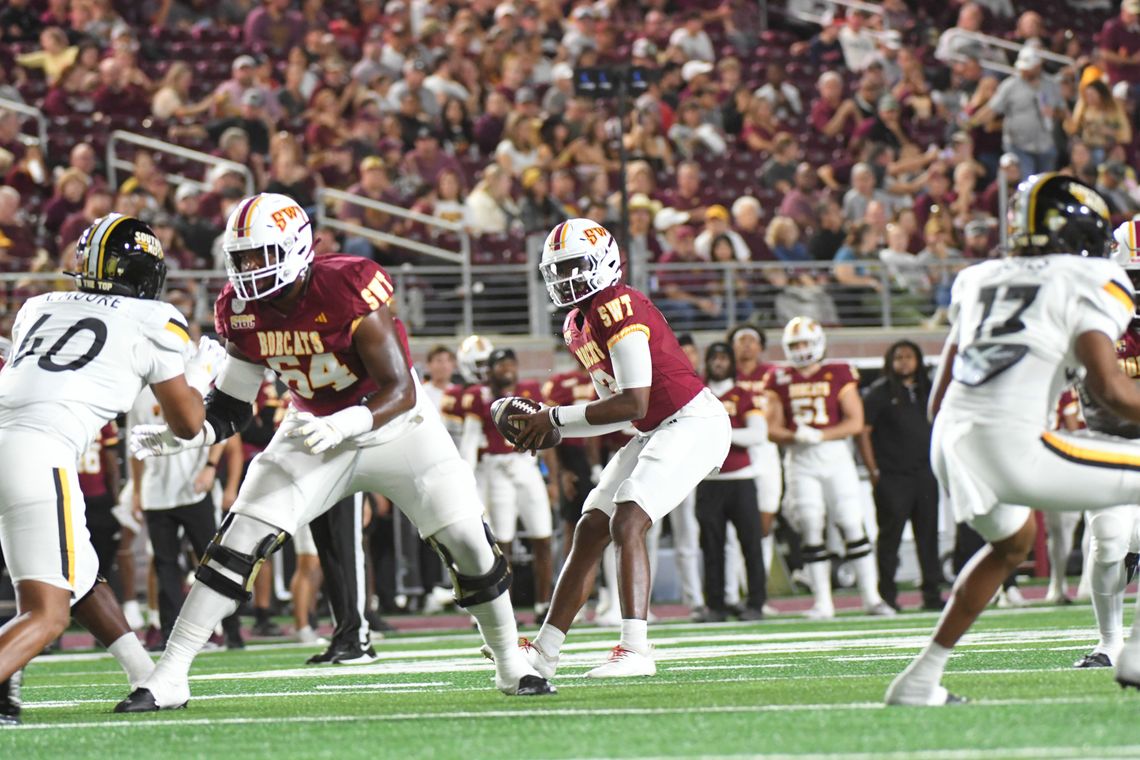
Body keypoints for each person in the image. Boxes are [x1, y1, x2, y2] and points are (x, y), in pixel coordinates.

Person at [116, 194, 554, 713]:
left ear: (298, 247)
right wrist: (192, 433)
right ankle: (169, 676)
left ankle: (510, 660)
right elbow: (234, 405)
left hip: (399, 429)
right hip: (312, 428)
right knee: (240, 534)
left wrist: (348, 422)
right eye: (243, 258)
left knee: (466, 538)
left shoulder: (346, 283)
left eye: (261, 255)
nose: (250, 270)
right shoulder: (239, 307)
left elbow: (401, 389)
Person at [884, 173, 1140, 704]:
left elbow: (939, 394)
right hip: (1013, 445)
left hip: (950, 441)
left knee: (1011, 546)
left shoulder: (978, 277)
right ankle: (1134, 654)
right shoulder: (1089, 279)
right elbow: (1111, 390)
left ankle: (920, 679)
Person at [0, 214, 211, 724]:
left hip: (14, 441)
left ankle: (147, 677)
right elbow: (187, 424)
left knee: (82, 573)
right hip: (37, 450)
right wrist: (202, 374)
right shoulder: (155, 319)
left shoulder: (36, 305)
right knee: (46, 612)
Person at [506, 218, 731, 678]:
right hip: (654, 427)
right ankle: (545, 652)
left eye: (575, 266)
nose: (566, 278)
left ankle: (636, 650)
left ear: (604, 261)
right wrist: (557, 427)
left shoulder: (617, 303)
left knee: (629, 517)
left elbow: (633, 400)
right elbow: (622, 409)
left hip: (694, 419)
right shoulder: (577, 324)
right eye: (559, 269)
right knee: (591, 526)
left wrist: (552, 418)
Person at [764, 317, 895, 620]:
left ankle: (872, 598)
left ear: (819, 342)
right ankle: (823, 602)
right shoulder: (779, 377)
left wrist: (821, 434)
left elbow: (855, 421)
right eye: (795, 345)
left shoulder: (838, 372)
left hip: (835, 455)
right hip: (800, 458)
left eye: (805, 343)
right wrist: (796, 436)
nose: (801, 350)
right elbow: (772, 428)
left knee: (851, 522)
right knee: (810, 524)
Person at [1068, 219, 1140, 669]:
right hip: (1106, 442)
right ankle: (1108, 642)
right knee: (1110, 540)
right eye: (1133, 275)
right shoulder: (1093, 317)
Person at [458, 347, 554, 619]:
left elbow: (550, 437)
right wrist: (467, 481)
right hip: (496, 470)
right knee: (503, 542)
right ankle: (505, 608)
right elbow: (469, 443)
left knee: (543, 536)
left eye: (510, 362)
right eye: (500, 364)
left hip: (527, 467)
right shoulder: (480, 397)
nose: (507, 369)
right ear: (490, 370)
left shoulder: (531, 391)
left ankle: (544, 605)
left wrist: (552, 478)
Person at [856, 340, 944, 612]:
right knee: (890, 538)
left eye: (909, 357)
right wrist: (873, 470)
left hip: (925, 473)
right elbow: (863, 432)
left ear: (918, 360)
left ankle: (932, 594)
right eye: (899, 357)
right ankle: (888, 595)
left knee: (928, 536)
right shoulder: (879, 392)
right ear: (890, 362)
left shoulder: (930, 390)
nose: (904, 362)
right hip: (893, 476)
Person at [696, 342, 768, 622]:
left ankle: (756, 603)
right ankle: (715, 605)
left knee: (751, 542)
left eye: (723, 357)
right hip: (708, 479)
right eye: (713, 357)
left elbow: (757, 435)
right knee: (711, 546)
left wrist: (720, 432)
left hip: (741, 478)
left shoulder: (743, 395)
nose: (718, 362)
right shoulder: (699, 396)